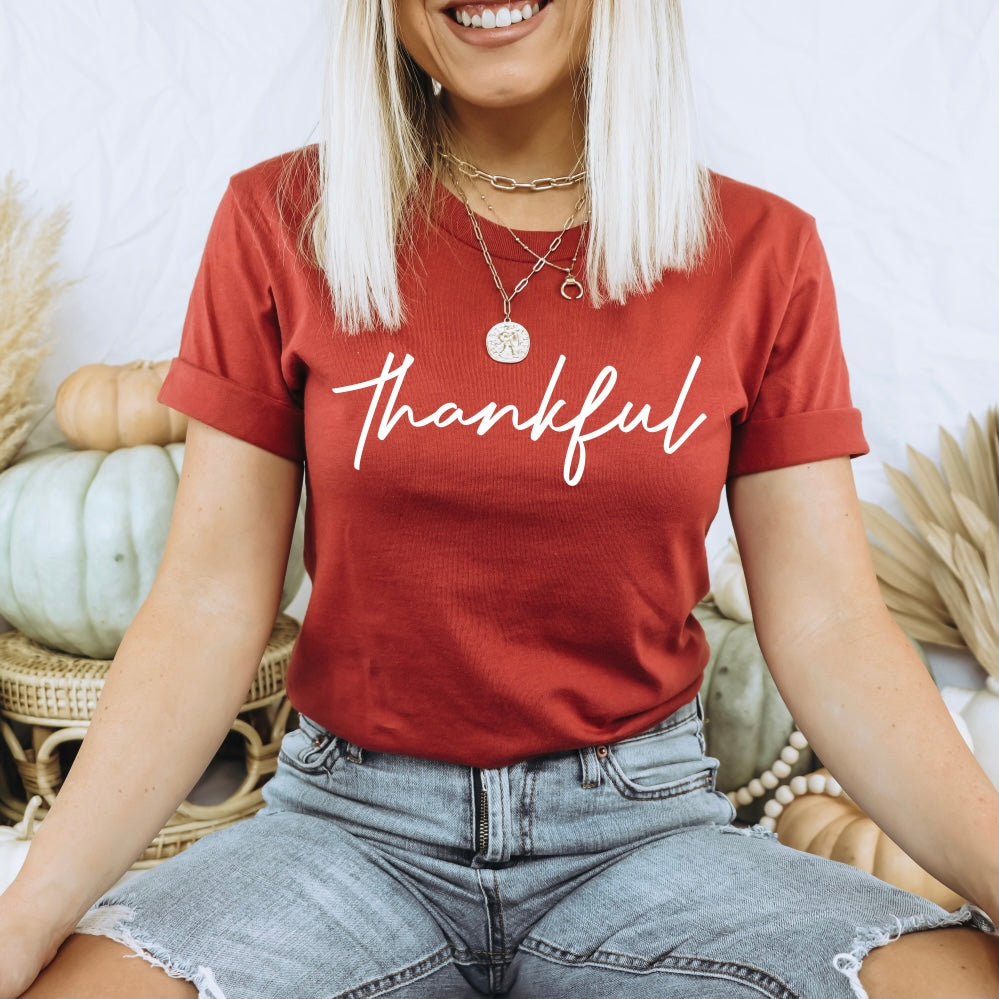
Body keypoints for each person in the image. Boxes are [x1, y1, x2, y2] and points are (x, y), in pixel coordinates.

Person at [3, 2, 998, 997]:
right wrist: (27, 915)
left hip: (642, 839)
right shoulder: (280, 219)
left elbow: (829, 624)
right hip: (348, 839)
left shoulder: (761, 251)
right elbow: (206, 607)